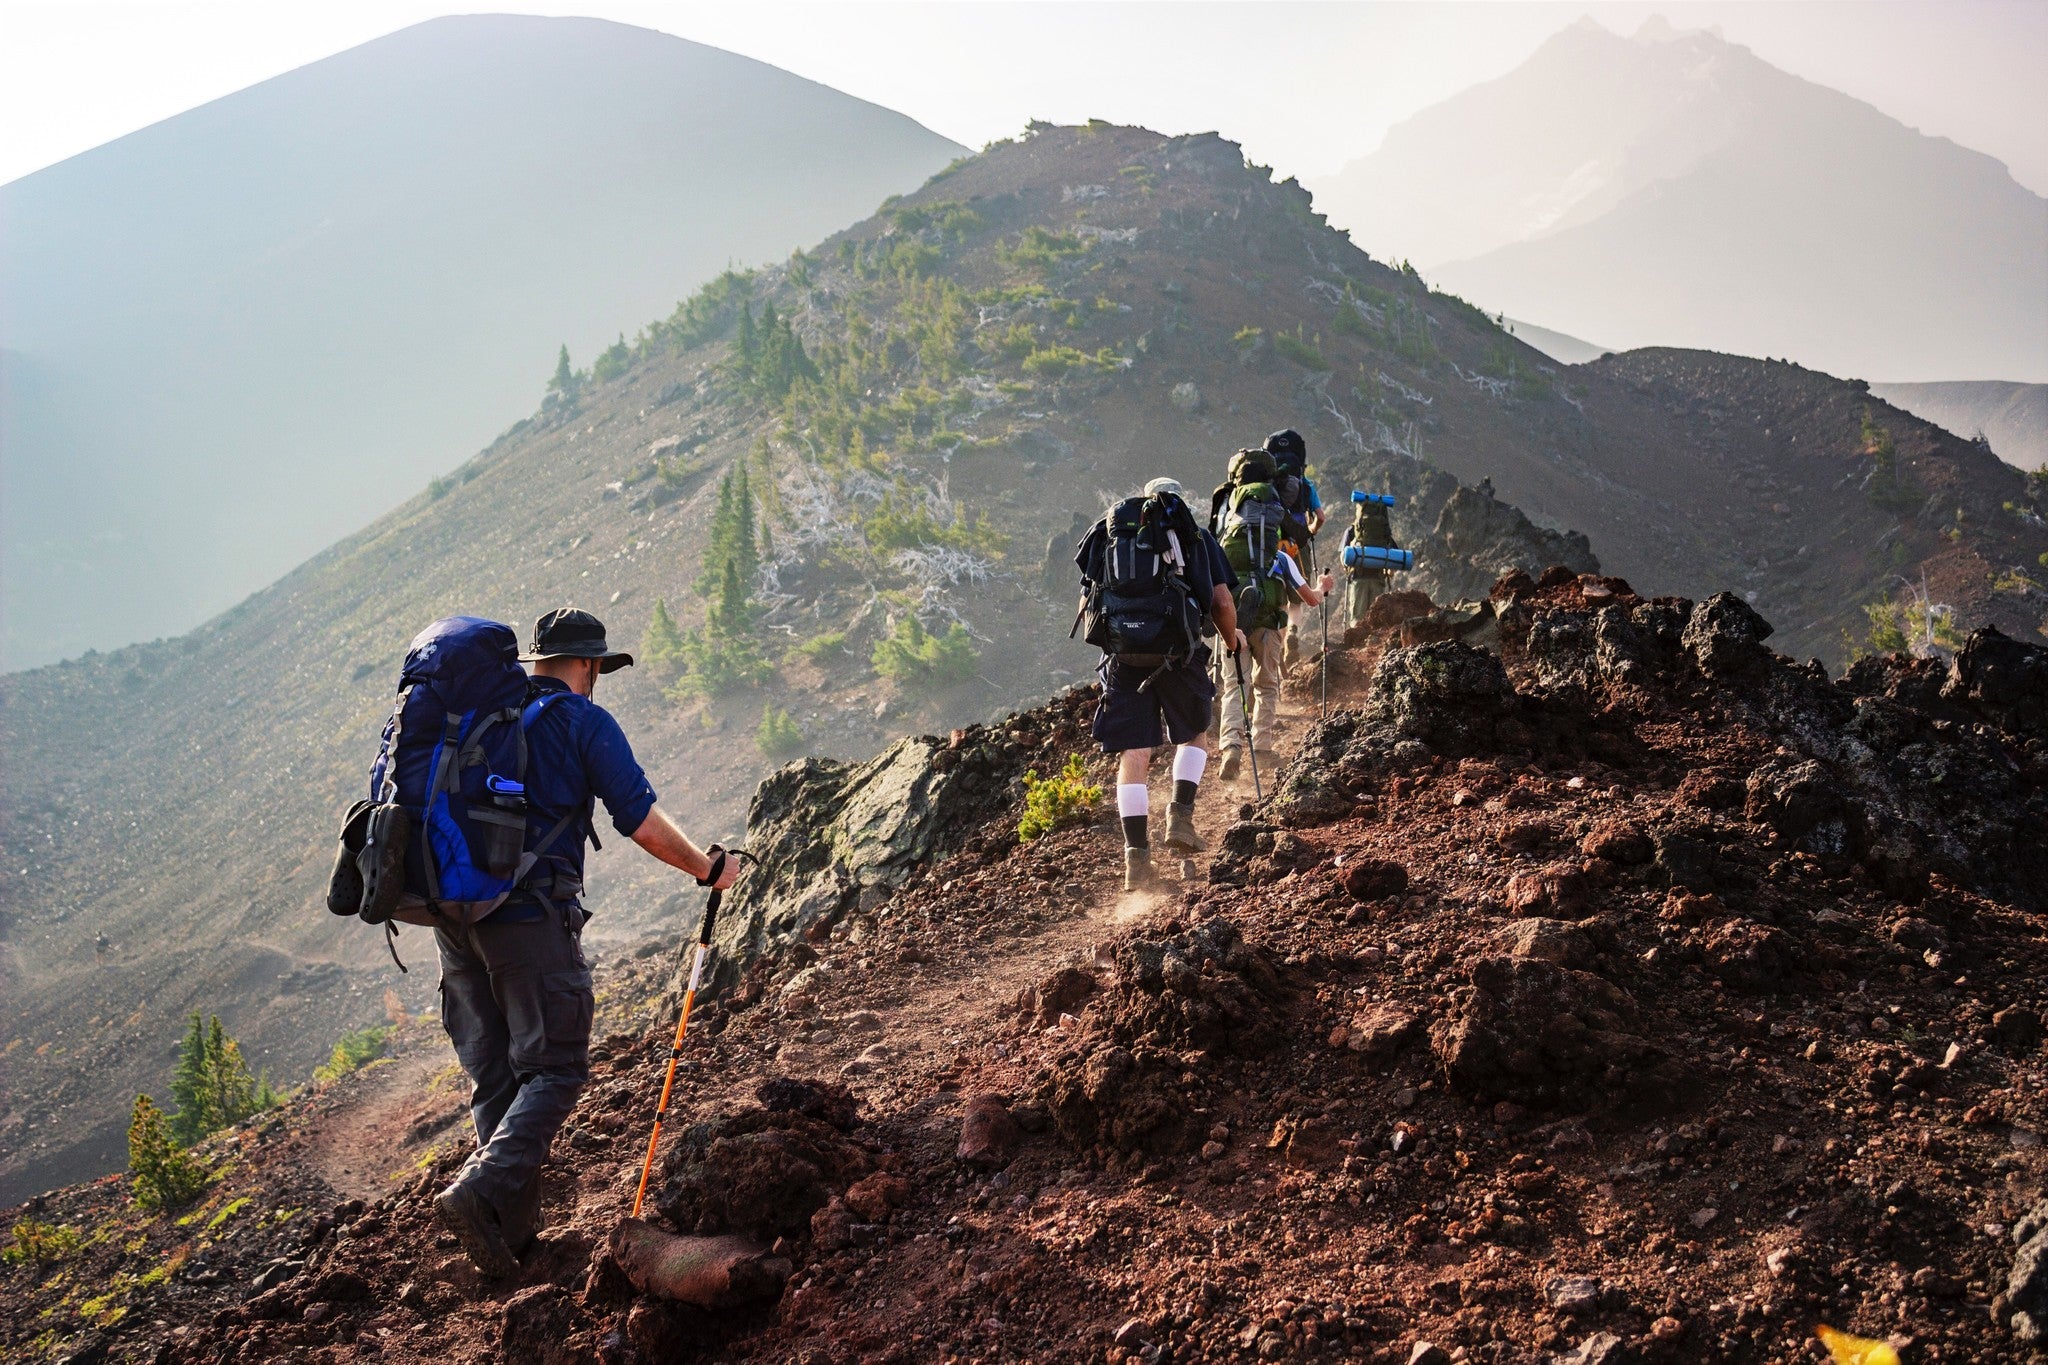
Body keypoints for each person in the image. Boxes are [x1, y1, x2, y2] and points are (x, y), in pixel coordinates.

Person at [433, 607, 738, 1278]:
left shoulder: (483, 717)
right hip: (529, 918)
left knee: (499, 1077)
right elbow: (640, 820)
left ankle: (509, 1247)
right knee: (557, 1068)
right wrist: (708, 868)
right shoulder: (582, 721)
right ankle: (478, 1193)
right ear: (592, 665)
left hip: (454, 922)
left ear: (535, 661)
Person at [1075, 478, 1243, 891]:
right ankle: (1180, 818)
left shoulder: (1109, 537)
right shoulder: (1194, 537)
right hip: (1178, 653)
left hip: (1124, 659)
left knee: (1134, 754)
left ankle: (1137, 861)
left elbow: (1088, 600)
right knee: (1194, 736)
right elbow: (1222, 602)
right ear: (1178, 502)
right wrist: (1230, 639)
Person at [1208, 451, 1334, 779]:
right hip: (1268, 624)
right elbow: (1310, 600)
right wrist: (1323, 586)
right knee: (1266, 686)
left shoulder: (1224, 551)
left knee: (1236, 684)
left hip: (1232, 622)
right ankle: (1261, 749)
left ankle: (1231, 747)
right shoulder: (1280, 557)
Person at [1263, 430, 1326, 667]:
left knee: (1277, 600)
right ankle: (1293, 633)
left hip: (1270, 545)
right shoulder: (1305, 483)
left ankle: (1277, 646)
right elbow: (1320, 517)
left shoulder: (1266, 484)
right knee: (1296, 600)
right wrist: (1309, 532)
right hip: (1297, 546)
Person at [1340, 490, 1401, 629]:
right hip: (1378, 579)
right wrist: (1388, 571)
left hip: (1358, 578)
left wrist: (1348, 567)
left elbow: (1344, 557)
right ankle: (1373, 647)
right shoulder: (1384, 532)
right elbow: (1394, 557)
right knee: (1377, 620)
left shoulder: (1352, 531)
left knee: (1357, 620)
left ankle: (1357, 647)